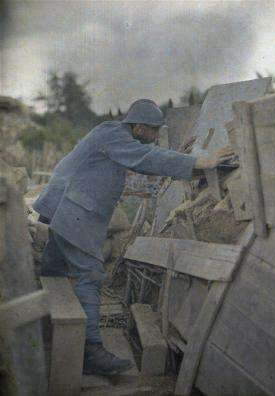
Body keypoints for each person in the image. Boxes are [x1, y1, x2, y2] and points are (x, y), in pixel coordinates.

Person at [33, 99, 233, 376]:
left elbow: (147, 161)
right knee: (89, 275)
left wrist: (195, 167)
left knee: (53, 269)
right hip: (75, 209)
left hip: (65, 206)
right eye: (153, 131)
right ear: (138, 127)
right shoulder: (115, 136)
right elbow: (148, 159)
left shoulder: (110, 133)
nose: (154, 138)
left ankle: (41, 330)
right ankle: (91, 353)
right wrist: (202, 161)